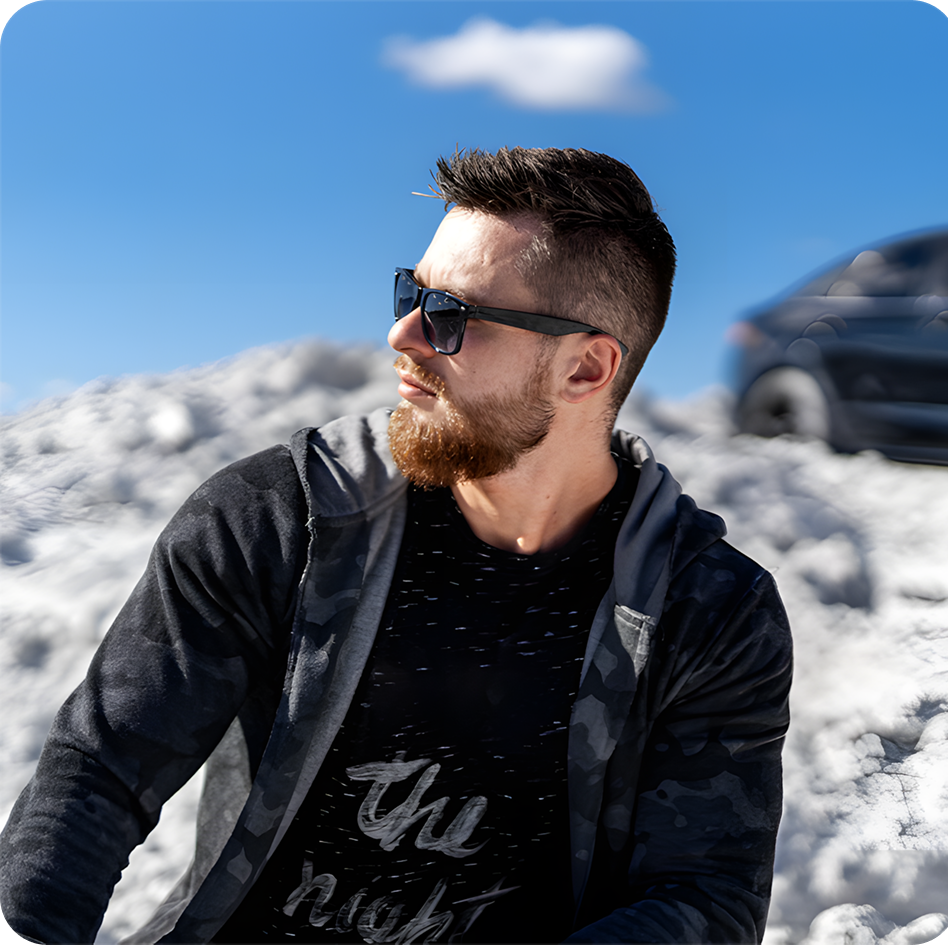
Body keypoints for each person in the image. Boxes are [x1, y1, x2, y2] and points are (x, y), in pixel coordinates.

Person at [0, 147, 792, 945]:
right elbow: (98, 774)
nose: (402, 334)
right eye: (409, 293)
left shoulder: (708, 610)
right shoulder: (279, 521)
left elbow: (704, 897)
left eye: (451, 314)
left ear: (585, 368)